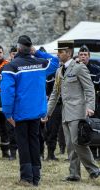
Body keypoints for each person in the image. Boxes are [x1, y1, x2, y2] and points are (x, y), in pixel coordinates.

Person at [0, 35, 59, 186]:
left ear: (18, 48)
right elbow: (56, 61)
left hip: (20, 112)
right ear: (30, 48)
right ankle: (36, 176)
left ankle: (26, 177)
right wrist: (38, 52)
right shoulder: (40, 63)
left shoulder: (11, 67)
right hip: (36, 111)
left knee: (23, 143)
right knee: (34, 141)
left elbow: (7, 92)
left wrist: (7, 113)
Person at [43, 42, 100, 181]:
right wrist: (47, 113)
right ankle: (74, 174)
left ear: (68, 53)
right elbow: (55, 94)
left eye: (60, 52)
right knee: (70, 145)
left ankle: (94, 169)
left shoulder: (79, 67)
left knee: (78, 143)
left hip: (78, 110)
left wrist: (90, 107)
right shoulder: (58, 71)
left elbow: (89, 88)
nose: (58, 54)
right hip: (65, 113)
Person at [78, 45, 100, 160]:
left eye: (85, 55)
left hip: (95, 102)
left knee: (98, 127)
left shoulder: (95, 69)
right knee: (87, 128)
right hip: (80, 103)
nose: (83, 57)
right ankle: (92, 153)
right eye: (81, 55)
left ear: (89, 56)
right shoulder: (75, 68)